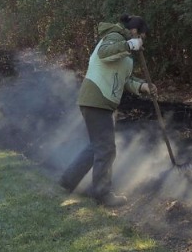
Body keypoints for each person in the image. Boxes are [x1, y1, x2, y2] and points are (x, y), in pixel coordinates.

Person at [59, 14, 156, 207]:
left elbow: (125, 80)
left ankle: (67, 182)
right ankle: (102, 194)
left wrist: (144, 86)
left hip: (101, 101)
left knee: (96, 147)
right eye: (142, 38)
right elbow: (104, 53)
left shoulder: (124, 52)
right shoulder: (115, 37)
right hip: (97, 99)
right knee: (106, 149)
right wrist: (129, 45)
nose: (142, 43)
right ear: (135, 32)